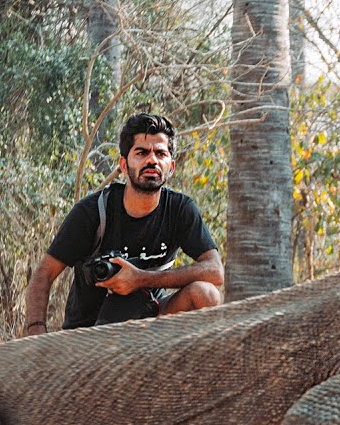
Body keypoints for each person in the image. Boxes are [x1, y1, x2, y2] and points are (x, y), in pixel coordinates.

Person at [24, 113, 223, 335]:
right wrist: (35, 330)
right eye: (141, 152)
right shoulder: (92, 212)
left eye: (160, 153)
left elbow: (215, 271)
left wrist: (140, 279)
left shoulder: (180, 209)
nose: (152, 161)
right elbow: (44, 273)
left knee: (206, 294)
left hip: (152, 320)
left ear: (171, 166)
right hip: (90, 333)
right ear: (123, 164)